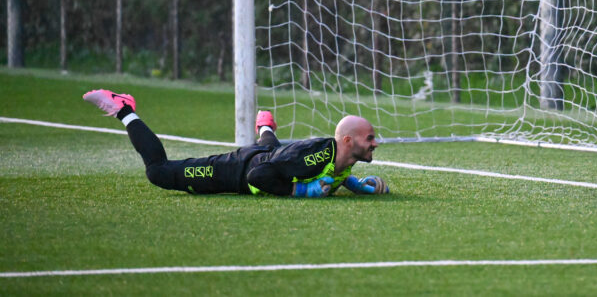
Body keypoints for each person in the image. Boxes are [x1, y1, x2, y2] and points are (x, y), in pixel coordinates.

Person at [82, 89, 389, 197]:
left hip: (270, 153)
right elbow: (259, 176)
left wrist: (359, 185)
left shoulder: (340, 159)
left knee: (273, 151)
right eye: (370, 138)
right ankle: (124, 109)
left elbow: (329, 176)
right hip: (239, 170)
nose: (375, 143)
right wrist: (301, 191)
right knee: (159, 172)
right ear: (347, 141)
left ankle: (266, 126)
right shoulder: (314, 157)